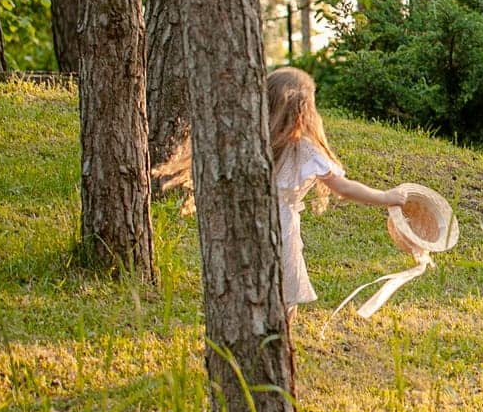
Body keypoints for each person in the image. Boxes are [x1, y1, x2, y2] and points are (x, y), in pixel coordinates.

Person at [156, 67, 406, 313]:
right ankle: (281, 345)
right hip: (281, 229)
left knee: (252, 292)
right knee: (285, 298)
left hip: (242, 223)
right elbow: (344, 188)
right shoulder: (303, 149)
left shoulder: (248, 139)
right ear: (304, 110)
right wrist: (386, 197)